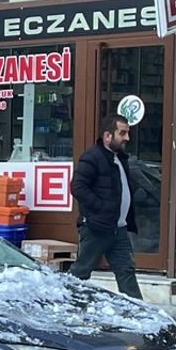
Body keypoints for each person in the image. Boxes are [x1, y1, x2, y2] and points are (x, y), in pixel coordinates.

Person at [70, 114, 143, 299]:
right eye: (122, 133)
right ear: (108, 136)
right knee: (81, 272)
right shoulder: (92, 156)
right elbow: (77, 187)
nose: (127, 138)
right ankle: (66, 304)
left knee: (126, 272)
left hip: (118, 228)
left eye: (127, 133)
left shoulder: (120, 158)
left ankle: (140, 314)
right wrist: (101, 208)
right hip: (97, 227)